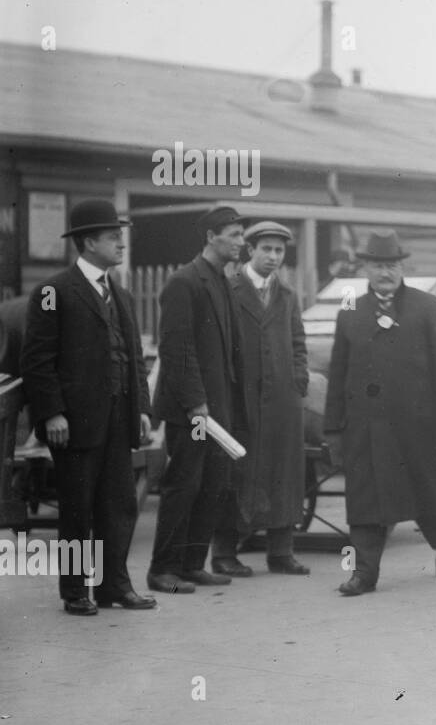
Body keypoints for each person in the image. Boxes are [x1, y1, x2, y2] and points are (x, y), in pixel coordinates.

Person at [20, 200, 155, 614]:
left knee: (119, 504)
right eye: (113, 237)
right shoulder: (53, 292)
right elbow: (37, 360)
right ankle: (76, 591)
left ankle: (114, 585)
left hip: (119, 417)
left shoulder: (123, 294)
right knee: (78, 508)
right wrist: (51, 413)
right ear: (88, 241)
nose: (121, 244)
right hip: (74, 422)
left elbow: (132, 357)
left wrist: (143, 409)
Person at [324, 230, 436, 595]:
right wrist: (333, 428)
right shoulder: (350, 312)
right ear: (365, 268)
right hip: (367, 429)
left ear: (403, 267)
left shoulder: (428, 307)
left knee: (427, 495)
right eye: (378, 265)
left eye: (392, 265)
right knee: (365, 501)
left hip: (419, 426)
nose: (386, 272)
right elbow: (338, 374)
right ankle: (363, 574)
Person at [148, 205, 247, 594]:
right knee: (183, 486)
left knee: (212, 486)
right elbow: (176, 349)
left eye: (242, 235)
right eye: (235, 235)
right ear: (211, 237)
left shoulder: (221, 281)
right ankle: (162, 569)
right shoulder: (183, 282)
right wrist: (195, 405)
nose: (242, 243)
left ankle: (192, 564)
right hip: (194, 409)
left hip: (218, 407)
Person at [214, 221, 311, 577]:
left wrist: (298, 379)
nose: (273, 257)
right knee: (237, 473)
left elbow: (298, 342)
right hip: (241, 398)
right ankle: (224, 553)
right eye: (266, 249)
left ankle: (280, 552)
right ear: (250, 250)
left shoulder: (287, 295)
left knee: (284, 472)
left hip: (283, 400)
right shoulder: (229, 289)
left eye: (279, 250)